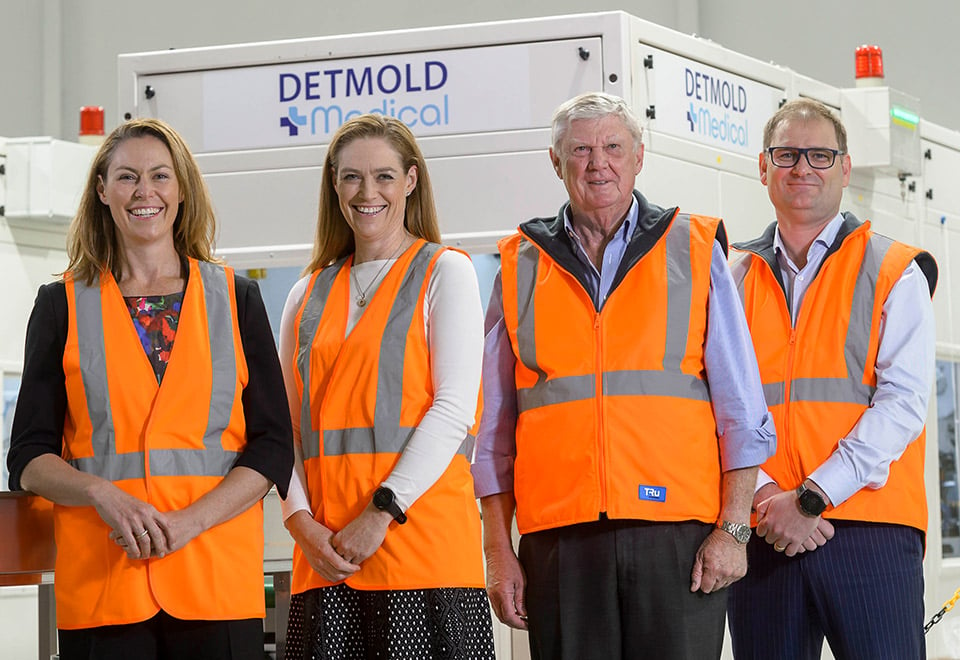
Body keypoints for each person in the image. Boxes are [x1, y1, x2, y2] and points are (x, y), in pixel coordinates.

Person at [472, 91, 776, 660]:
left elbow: (742, 409)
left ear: (639, 157)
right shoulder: (519, 263)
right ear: (555, 162)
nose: (597, 163)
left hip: (678, 536)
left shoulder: (693, 246)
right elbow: (492, 432)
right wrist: (497, 549)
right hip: (560, 541)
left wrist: (733, 529)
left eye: (613, 147)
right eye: (580, 150)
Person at [5, 118, 293, 659]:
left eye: (160, 176)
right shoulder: (61, 305)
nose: (145, 192)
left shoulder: (236, 298)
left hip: (215, 581)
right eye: (127, 177)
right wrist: (100, 492)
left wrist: (190, 523)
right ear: (102, 191)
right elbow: (27, 455)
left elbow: (274, 446)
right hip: (103, 582)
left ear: (181, 188)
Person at [278, 114, 495, 659]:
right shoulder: (305, 293)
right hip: (327, 558)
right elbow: (284, 428)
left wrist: (380, 514)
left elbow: (454, 409)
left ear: (411, 181)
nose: (366, 192)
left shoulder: (445, 272)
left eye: (384, 177)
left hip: (423, 554)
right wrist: (300, 524)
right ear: (334, 184)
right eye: (351, 177)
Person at [726, 98, 937, 660]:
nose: (803, 168)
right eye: (787, 154)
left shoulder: (894, 268)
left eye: (820, 155)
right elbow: (714, 402)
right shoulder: (730, 274)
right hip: (763, 530)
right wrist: (768, 494)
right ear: (763, 167)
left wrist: (814, 497)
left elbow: (904, 404)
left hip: (867, 527)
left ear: (844, 168)